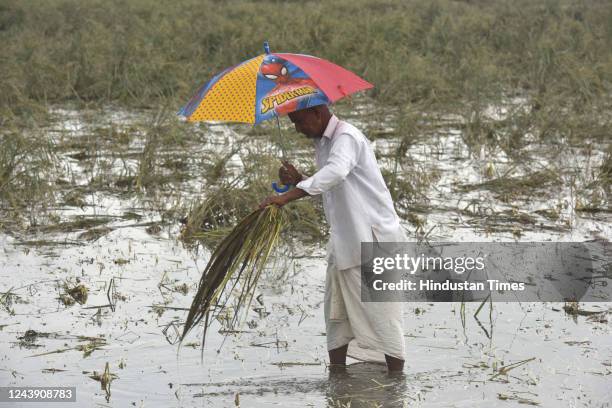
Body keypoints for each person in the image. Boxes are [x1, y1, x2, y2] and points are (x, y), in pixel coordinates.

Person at [258, 104, 406, 372]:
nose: (297, 128)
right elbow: (335, 186)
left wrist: (286, 197)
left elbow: (336, 173)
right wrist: (299, 179)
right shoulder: (324, 143)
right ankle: (337, 381)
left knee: (384, 319)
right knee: (336, 316)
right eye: (292, 123)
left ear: (317, 113)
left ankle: (396, 385)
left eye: (300, 121)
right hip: (345, 241)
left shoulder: (346, 137)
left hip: (373, 242)